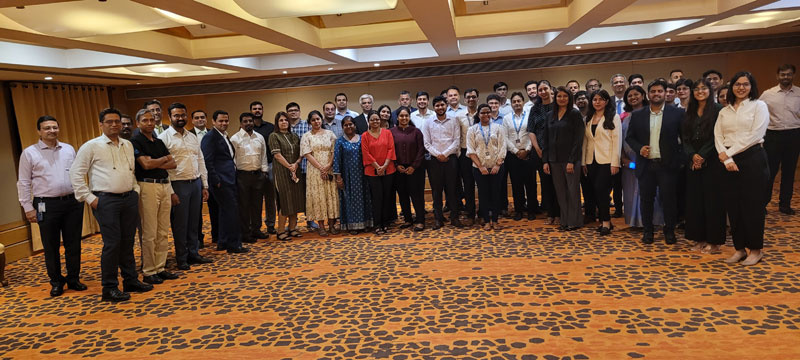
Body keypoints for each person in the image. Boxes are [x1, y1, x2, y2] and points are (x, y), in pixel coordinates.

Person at [70, 108, 153, 302]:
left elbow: (131, 170)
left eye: (118, 121)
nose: (115, 125)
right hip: (105, 201)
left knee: (128, 242)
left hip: (129, 198)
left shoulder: (127, 144)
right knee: (112, 244)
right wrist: (90, 198)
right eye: (110, 122)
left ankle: (130, 280)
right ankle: (109, 288)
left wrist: (135, 191)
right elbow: (75, 173)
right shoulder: (91, 146)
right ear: (101, 124)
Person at [17, 115, 85, 296]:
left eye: (54, 127)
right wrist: (27, 207)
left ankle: (73, 278)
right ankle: (56, 281)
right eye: (47, 128)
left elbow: (78, 174)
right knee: (51, 245)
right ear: (39, 131)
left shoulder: (69, 149)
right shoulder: (29, 153)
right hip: (45, 205)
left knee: (73, 244)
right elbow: (23, 182)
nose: (51, 131)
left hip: (72, 203)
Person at [715, 72, 770, 265]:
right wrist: (725, 157)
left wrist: (730, 154)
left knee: (753, 207)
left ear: (751, 86)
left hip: (752, 158)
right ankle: (739, 249)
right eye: (737, 84)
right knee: (733, 206)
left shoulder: (759, 106)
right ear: (731, 87)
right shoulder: (725, 111)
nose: (741, 87)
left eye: (745, 84)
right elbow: (718, 135)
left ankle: (756, 250)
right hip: (727, 162)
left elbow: (756, 134)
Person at [626, 80, 685, 245]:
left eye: (660, 91)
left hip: (668, 165)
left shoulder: (677, 114)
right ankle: (648, 231)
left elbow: (684, 138)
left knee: (669, 200)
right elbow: (629, 137)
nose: (656, 94)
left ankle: (669, 231)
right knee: (646, 200)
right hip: (646, 164)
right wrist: (639, 149)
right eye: (653, 91)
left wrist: (680, 160)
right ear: (648, 94)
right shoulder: (638, 115)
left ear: (665, 93)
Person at [130, 108, 181, 285]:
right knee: (149, 231)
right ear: (138, 123)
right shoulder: (135, 141)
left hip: (164, 186)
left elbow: (173, 163)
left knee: (162, 230)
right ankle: (149, 270)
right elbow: (145, 164)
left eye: (152, 120)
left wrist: (155, 162)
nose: (150, 123)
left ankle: (160, 267)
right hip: (147, 186)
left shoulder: (158, 141)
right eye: (145, 120)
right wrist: (160, 161)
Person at [159, 104, 213, 269]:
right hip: (178, 185)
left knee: (194, 222)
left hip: (195, 183)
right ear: (170, 117)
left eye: (183, 115)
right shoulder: (164, 138)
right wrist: (171, 191)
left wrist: (204, 184)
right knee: (180, 224)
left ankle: (193, 253)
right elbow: (163, 168)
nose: (180, 118)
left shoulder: (192, 136)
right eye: (176, 116)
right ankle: (182, 258)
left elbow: (200, 160)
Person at [682, 78, 726, 253]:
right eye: (696, 88)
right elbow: (684, 138)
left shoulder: (718, 110)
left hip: (713, 160)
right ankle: (698, 238)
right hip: (693, 162)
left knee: (713, 202)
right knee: (695, 202)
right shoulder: (689, 111)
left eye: (703, 88)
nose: (700, 91)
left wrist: (702, 156)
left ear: (710, 90)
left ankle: (714, 242)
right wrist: (693, 155)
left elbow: (717, 136)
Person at [201, 110, 249, 254]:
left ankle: (223, 242)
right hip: (221, 181)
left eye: (226, 121)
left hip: (229, 178)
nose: (224, 123)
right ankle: (234, 245)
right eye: (221, 121)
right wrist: (215, 180)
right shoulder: (210, 137)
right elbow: (207, 161)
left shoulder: (223, 136)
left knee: (224, 212)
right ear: (213, 122)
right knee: (232, 212)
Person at [620, 85, 664, 228]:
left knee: (649, 192)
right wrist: (623, 159)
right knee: (631, 191)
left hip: (648, 160)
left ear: (643, 95)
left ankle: (652, 221)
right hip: (629, 161)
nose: (633, 97)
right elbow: (620, 139)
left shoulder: (651, 114)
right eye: (630, 96)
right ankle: (634, 222)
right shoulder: (624, 118)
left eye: (636, 94)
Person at [542, 87, 585, 231]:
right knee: (560, 192)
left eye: (564, 96)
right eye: (559, 96)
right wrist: (545, 161)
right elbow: (546, 139)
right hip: (554, 160)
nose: (561, 98)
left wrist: (572, 160)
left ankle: (574, 221)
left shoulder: (574, 114)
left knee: (572, 191)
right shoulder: (550, 115)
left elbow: (578, 139)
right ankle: (565, 220)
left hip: (570, 160)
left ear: (569, 98)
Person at [760, 64, 800, 215]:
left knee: (789, 172)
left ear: (793, 75)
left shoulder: (799, 93)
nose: (785, 77)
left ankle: (785, 205)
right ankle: (762, 204)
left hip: (794, 135)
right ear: (777, 76)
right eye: (783, 74)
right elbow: (759, 112)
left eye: (789, 74)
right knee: (769, 172)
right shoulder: (768, 94)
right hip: (773, 136)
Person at [581, 90, 622, 235]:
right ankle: (607, 221)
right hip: (591, 160)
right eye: (594, 99)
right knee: (596, 191)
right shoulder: (588, 118)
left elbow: (617, 141)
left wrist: (615, 162)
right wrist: (584, 162)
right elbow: (586, 141)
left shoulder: (613, 117)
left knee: (602, 191)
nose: (597, 102)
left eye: (600, 99)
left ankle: (605, 221)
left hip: (607, 160)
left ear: (606, 101)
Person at [423, 96, 463, 229]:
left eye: (442, 105)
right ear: (433, 107)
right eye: (437, 106)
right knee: (436, 190)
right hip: (434, 160)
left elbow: (457, 140)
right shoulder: (428, 122)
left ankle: (454, 218)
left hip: (450, 159)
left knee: (452, 190)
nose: (440, 108)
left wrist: (445, 154)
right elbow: (426, 143)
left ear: (446, 106)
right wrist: (438, 155)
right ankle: (438, 219)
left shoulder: (454, 120)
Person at [230, 112, 269, 243]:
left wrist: (264, 171)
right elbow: (232, 159)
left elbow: (263, 155)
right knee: (244, 206)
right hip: (242, 176)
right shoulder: (235, 139)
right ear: (241, 123)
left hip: (258, 175)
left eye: (250, 121)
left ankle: (256, 230)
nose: (248, 123)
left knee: (257, 205)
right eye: (245, 121)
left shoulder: (260, 137)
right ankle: (245, 233)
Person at [468, 104, 508, 229]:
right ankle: (486, 220)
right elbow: (470, 150)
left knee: (496, 193)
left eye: (487, 112)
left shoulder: (498, 128)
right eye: (482, 113)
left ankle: (495, 220)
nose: (485, 115)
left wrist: (497, 164)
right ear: (478, 115)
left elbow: (503, 147)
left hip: (496, 167)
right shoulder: (472, 129)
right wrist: (480, 167)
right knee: (483, 194)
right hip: (479, 168)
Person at [301, 110, 340, 236]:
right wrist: (321, 168)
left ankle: (332, 225)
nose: (316, 122)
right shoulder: (307, 136)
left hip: (330, 167)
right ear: (309, 122)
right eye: (313, 120)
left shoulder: (330, 134)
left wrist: (328, 165)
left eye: (318, 119)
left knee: (331, 196)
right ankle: (321, 226)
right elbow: (307, 154)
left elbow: (335, 151)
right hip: (314, 171)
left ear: (321, 120)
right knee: (319, 198)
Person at [333, 116, 373, 234]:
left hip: (363, 175)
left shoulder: (362, 138)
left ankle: (366, 223)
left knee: (365, 199)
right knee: (349, 200)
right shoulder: (340, 141)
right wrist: (338, 178)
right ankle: (352, 226)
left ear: (355, 125)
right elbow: (337, 160)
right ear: (342, 127)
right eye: (346, 125)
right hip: (347, 176)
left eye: (351, 124)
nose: (349, 127)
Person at [269, 112, 306, 240]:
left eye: (286, 120)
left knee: (295, 200)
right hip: (282, 172)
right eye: (281, 120)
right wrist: (289, 166)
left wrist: (295, 164)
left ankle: (292, 228)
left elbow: (300, 154)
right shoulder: (274, 136)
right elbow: (277, 155)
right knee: (285, 201)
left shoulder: (294, 136)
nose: (284, 122)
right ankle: (280, 231)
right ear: (277, 123)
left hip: (296, 171)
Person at [527, 80, 559, 224]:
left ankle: (560, 214)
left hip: (558, 151)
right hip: (539, 151)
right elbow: (531, 131)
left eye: (545, 89)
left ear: (551, 89)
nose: (543, 92)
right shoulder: (535, 108)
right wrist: (538, 149)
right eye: (540, 90)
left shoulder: (558, 105)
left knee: (558, 183)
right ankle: (550, 214)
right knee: (546, 184)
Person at [361, 110, 397, 234]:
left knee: (387, 197)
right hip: (372, 171)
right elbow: (366, 153)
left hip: (389, 169)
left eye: (377, 119)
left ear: (380, 120)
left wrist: (385, 166)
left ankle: (385, 223)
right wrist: (377, 167)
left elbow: (391, 149)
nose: (375, 121)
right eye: (372, 119)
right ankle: (377, 224)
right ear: (368, 121)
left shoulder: (387, 133)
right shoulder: (365, 135)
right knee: (377, 198)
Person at [390, 107, 425, 231]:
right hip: (399, 169)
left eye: (406, 116)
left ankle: (420, 220)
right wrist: (396, 164)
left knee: (416, 195)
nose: (404, 118)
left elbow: (421, 150)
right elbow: (390, 150)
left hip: (414, 169)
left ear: (409, 117)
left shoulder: (416, 132)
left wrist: (413, 166)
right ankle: (408, 219)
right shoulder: (391, 132)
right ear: (397, 117)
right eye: (401, 116)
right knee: (403, 195)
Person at [503, 92, 536, 220]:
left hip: (528, 153)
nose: (517, 103)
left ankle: (532, 210)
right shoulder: (506, 118)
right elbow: (505, 137)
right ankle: (519, 210)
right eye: (514, 101)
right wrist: (516, 151)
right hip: (513, 155)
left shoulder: (529, 115)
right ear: (511, 104)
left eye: (519, 101)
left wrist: (527, 150)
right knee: (516, 184)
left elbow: (531, 133)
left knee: (531, 183)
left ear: (523, 102)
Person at [249, 102, 277, 235]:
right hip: (255, 167)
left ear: (263, 110)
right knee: (256, 199)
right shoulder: (247, 128)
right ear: (251, 111)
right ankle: (256, 226)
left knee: (270, 197)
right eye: (254, 109)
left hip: (270, 165)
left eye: (259, 108)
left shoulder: (270, 127)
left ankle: (271, 225)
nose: (257, 111)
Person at [189, 110, 213, 247]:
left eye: (202, 117)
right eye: (196, 118)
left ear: (206, 119)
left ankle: (216, 235)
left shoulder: (212, 133)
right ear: (192, 120)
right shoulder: (188, 135)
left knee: (214, 207)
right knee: (196, 212)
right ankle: (198, 239)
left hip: (212, 174)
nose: (200, 120)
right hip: (195, 175)